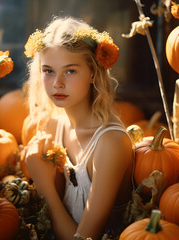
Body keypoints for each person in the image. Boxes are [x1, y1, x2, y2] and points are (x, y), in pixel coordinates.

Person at [22, 16, 134, 240]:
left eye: (70, 71)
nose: (57, 84)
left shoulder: (110, 142)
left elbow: (83, 238)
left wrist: (43, 183)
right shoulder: (53, 125)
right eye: (49, 71)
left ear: (92, 72)